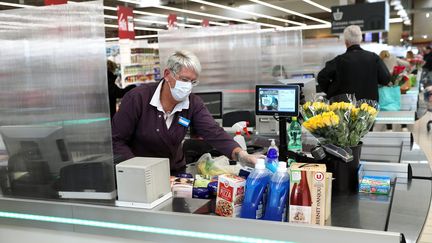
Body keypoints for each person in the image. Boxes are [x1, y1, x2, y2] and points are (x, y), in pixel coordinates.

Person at [111, 50, 261, 172]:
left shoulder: (193, 103)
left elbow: (214, 132)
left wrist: (242, 155)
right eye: (184, 80)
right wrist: (135, 169)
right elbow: (116, 140)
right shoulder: (138, 98)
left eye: (193, 82)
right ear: (167, 74)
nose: (188, 86)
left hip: (174, 172)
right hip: (138, 173)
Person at [317, 25, 391, 101]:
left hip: (345, 110)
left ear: (346, 42)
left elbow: (321, 77)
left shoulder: (339, 61)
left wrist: (332, 92)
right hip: (369, 109)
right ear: (360, 39)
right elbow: (386, 79)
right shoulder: (374, 58)